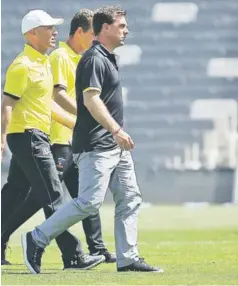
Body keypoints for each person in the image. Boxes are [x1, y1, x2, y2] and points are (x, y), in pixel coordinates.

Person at [21, 6, 163, 274]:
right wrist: (116, 130)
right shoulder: (94, 59)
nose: (126, 30)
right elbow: (90, 99)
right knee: (88, 202)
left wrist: (116, 136)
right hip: (97, 144)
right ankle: (36, 237)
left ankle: (128, 258)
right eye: (121, 25)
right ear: (105, 28)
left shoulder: (107, 57)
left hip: (114, 146)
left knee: (130, 197)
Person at [1, 10, 105, 270]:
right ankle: (74, 256)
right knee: (54, 195)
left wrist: (79, 121)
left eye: (54, 28)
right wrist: (1, 138)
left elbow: (47, 106)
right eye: (48, 28)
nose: (54, 33)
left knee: (14, 193)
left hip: (35, 136)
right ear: (31, 33)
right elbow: (7, 105)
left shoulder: (43, 64)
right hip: (28, 137)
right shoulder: (22, 65)